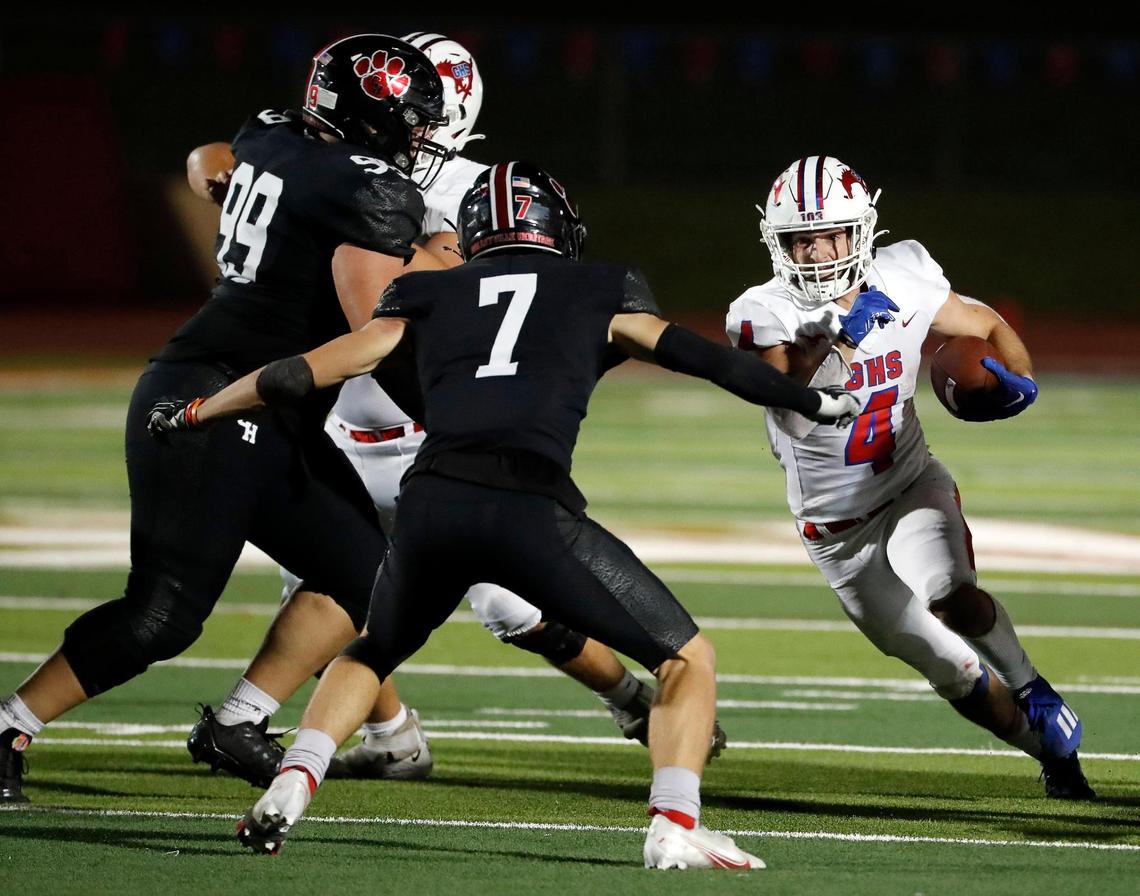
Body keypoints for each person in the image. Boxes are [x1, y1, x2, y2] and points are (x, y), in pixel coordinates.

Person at [148, 161, 859, 867]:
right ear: (557, 228)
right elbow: (703, 359)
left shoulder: (423, 293)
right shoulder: (600, 287)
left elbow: (303, 371)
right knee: (685, 658)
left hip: (430, 505)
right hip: (528, 506)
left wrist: (197, 410)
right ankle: (674, 824)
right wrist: (813, 400)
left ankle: (294, 784)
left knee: (370, 651)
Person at [189, 34, 699, 787]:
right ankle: (389, 736)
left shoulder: (470, 190)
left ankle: (630, 699)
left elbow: (454, 293)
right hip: (345, 420)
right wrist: (230, 182)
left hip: (435, 426)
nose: (416, 128)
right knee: (332, 588)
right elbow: (215, 155)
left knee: (504, 602)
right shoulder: (335, 161)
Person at [0, 34, 450, 804]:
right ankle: (9, 726)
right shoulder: (367, 186)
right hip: (212, 402)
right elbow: (375, 327)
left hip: (268, 409)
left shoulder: (276, 133)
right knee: (162, 615)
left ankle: (238, 722)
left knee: (367, 574)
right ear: (367, 115)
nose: (418, 138)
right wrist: (444, 269)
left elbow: (212, 157)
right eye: (409, 122)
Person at [724, 154, 1094, 800]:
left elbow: (986, 323)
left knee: (950, 591)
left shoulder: (904, 275)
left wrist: (1020, 381)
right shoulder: (762, 311)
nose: (815, 252)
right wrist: (840, 339)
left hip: (909, 483)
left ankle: (1031, 683)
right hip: (835, 531)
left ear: (860, 231)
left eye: (829, 235)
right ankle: (1053, 755)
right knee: (953, 673)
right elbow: (790, 402)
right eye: (800, 239)